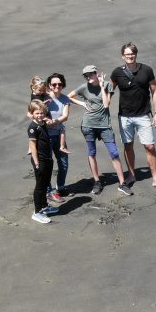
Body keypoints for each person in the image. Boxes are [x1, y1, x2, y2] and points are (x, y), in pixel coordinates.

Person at [68, 64, 132, 196]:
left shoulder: (107, 85)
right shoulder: (83, 87)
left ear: (96, 73)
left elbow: (106, 104)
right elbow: (68, 96)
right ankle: (97, 181)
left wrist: (102, 86)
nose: (88, 77)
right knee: (91, 153)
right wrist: (82, 103)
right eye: (85, 75)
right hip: (88, 125)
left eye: (90, 74)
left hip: (104, 126)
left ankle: (122, 183)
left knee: (114, 153)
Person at [110, 42, 156, 193]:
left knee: (150, 146)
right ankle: (132, 175)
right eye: (127, 54)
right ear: (123, 56)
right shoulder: (117, 73)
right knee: (128, 145)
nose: (130, 56)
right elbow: (109, 92)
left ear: (136, 54)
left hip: (143, 115)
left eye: (132, 53)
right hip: (125, 117)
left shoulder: (146, 70)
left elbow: (154, 91)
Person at [26, 100, 59, 224]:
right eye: (37, 113)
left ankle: (45, 206)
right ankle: (37, 212)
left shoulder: (42, 123)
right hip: (39, 160)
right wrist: (37, 163)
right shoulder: (32, 128)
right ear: (32, 113)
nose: (39, 115)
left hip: (48, 158)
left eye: (41, 113)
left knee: (45, 184)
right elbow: (33, 146)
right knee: (39, 187)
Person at [44, 72, 71, 201]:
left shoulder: (65, 99)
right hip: (45, 136)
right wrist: (46, 120)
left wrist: (54, 122)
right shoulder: (44, 98)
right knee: (48, 164)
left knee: (64, 164)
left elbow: (65, 116)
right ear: (49, 85)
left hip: (60, 135)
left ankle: (60, 188)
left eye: (60, 84)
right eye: (54, 84)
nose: (57, 86)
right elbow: (35, 111)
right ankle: (49, 191)